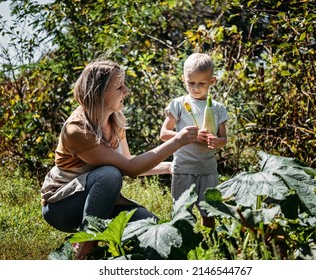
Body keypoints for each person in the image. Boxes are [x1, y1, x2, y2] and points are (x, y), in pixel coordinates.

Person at [41, 60, 198, 260]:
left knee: (152, 227)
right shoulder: (77, 129)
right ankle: (85, 252)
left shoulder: (115, 120)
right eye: (119, 86)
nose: (127, 90)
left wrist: (169, 167)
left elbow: (129, 162)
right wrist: (177, 140)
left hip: (101, 200)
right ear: (99, 93)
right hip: (61, 207)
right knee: (109, 175)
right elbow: (129, 169)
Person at [160, 53, 229, 228]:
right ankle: (184, 243)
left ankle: (210, 245)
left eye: (202, 83)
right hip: (183, 167)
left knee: (209, 211)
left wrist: (216, 141)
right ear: (183, 79)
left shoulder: (218, 108)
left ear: (212, 81)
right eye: (191, 83)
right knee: (182, 211)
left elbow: (224, 139)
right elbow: (164, 133)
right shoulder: (179, 104)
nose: (195, 88)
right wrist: (186, 136)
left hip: (208, 169)